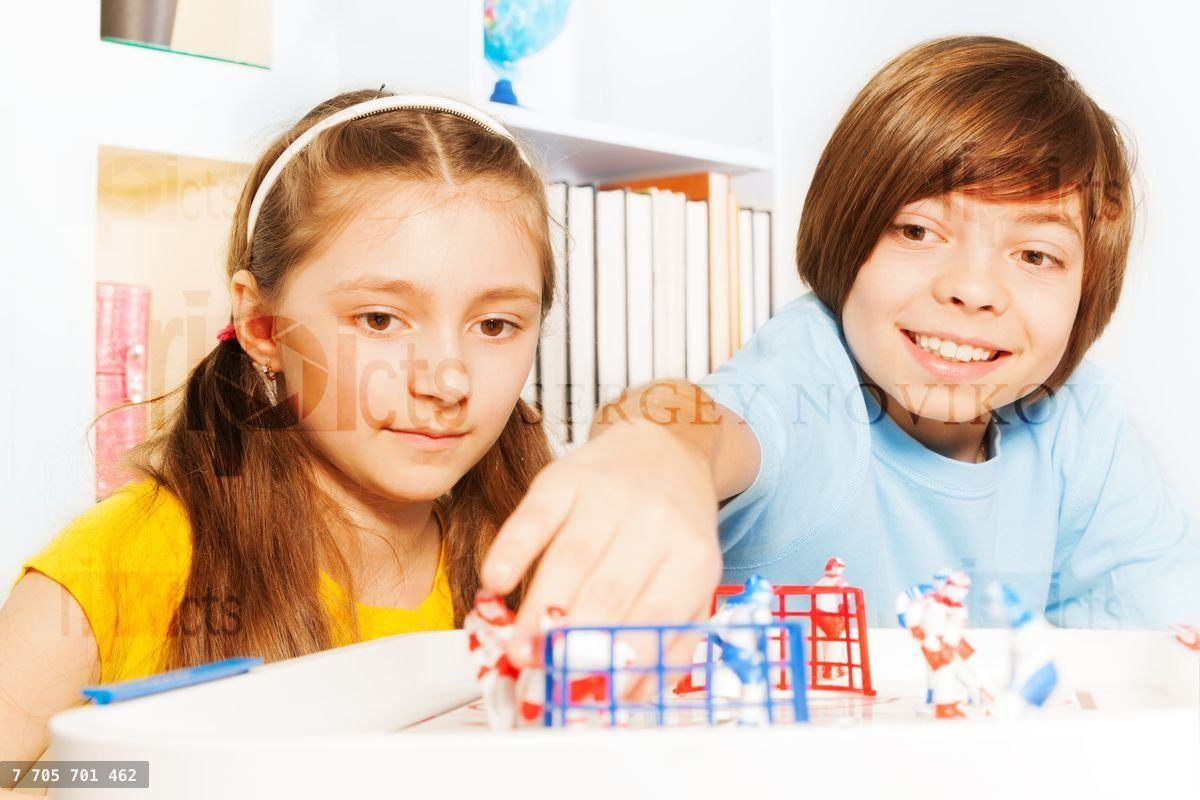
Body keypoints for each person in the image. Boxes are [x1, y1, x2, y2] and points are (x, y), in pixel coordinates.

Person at [482, 35, 1200, 666]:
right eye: (917, 231)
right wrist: (655, 454)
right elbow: (707, 417)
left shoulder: (1082, 420)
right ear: (845, 238)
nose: (974, 290)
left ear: (1087, 293)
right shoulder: (812, 364)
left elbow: (1159, 629)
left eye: (1037, 254)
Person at [1, 90, 559, 765]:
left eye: (495, 325)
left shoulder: (550, 573)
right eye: (380, 319)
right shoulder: (121, 562)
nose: (447, 381)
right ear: (263, 326)